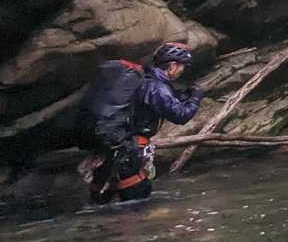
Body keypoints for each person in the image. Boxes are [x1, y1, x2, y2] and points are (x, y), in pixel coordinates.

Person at [80, 42, 203, 204]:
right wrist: (196, 98)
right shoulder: (156, 86)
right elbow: (180, 115)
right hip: (131, 149)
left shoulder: (142, 79)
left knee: (102, 197)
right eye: (182, 67)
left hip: (112, 144)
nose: (182, 71)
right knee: (137, 199)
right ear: (172, 65)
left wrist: (183, 96)